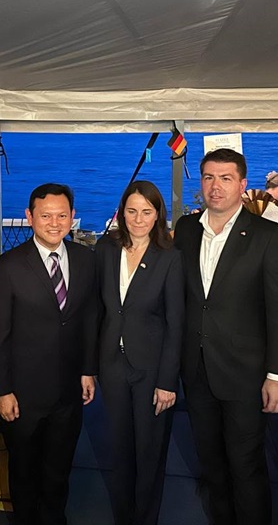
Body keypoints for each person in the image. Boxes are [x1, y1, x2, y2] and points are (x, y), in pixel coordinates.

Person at [173, 148, 278, 525]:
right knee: (211, 464)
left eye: (226, 178)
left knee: (246, 466)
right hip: (196, 370)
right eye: (209, 177)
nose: (216, 186)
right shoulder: (185, 229)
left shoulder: (269, 235)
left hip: (246, 374)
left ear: (243, 185)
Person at [0, 183, 98, 525]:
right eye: (45, 215)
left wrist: (88, 370)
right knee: (24, 475)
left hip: (68, 393)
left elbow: (89, 318)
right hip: (22, 395)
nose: (54, 222)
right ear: (29, 217)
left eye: (62, 215)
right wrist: (1, 391)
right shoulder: (8, 266)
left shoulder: (85, 260)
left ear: (72, 218)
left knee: (59, 473)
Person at [95, 180, 184, 525]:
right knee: (118, 449)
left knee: (148, 452)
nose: (138, 218)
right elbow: (97, 311)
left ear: (158, 214)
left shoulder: (169, 258)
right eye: (131, 210)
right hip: (112, 366)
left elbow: (176, 324)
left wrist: (168, 381)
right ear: (121, 212)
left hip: (151, 370)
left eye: (147, 211)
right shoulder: (105, 248)